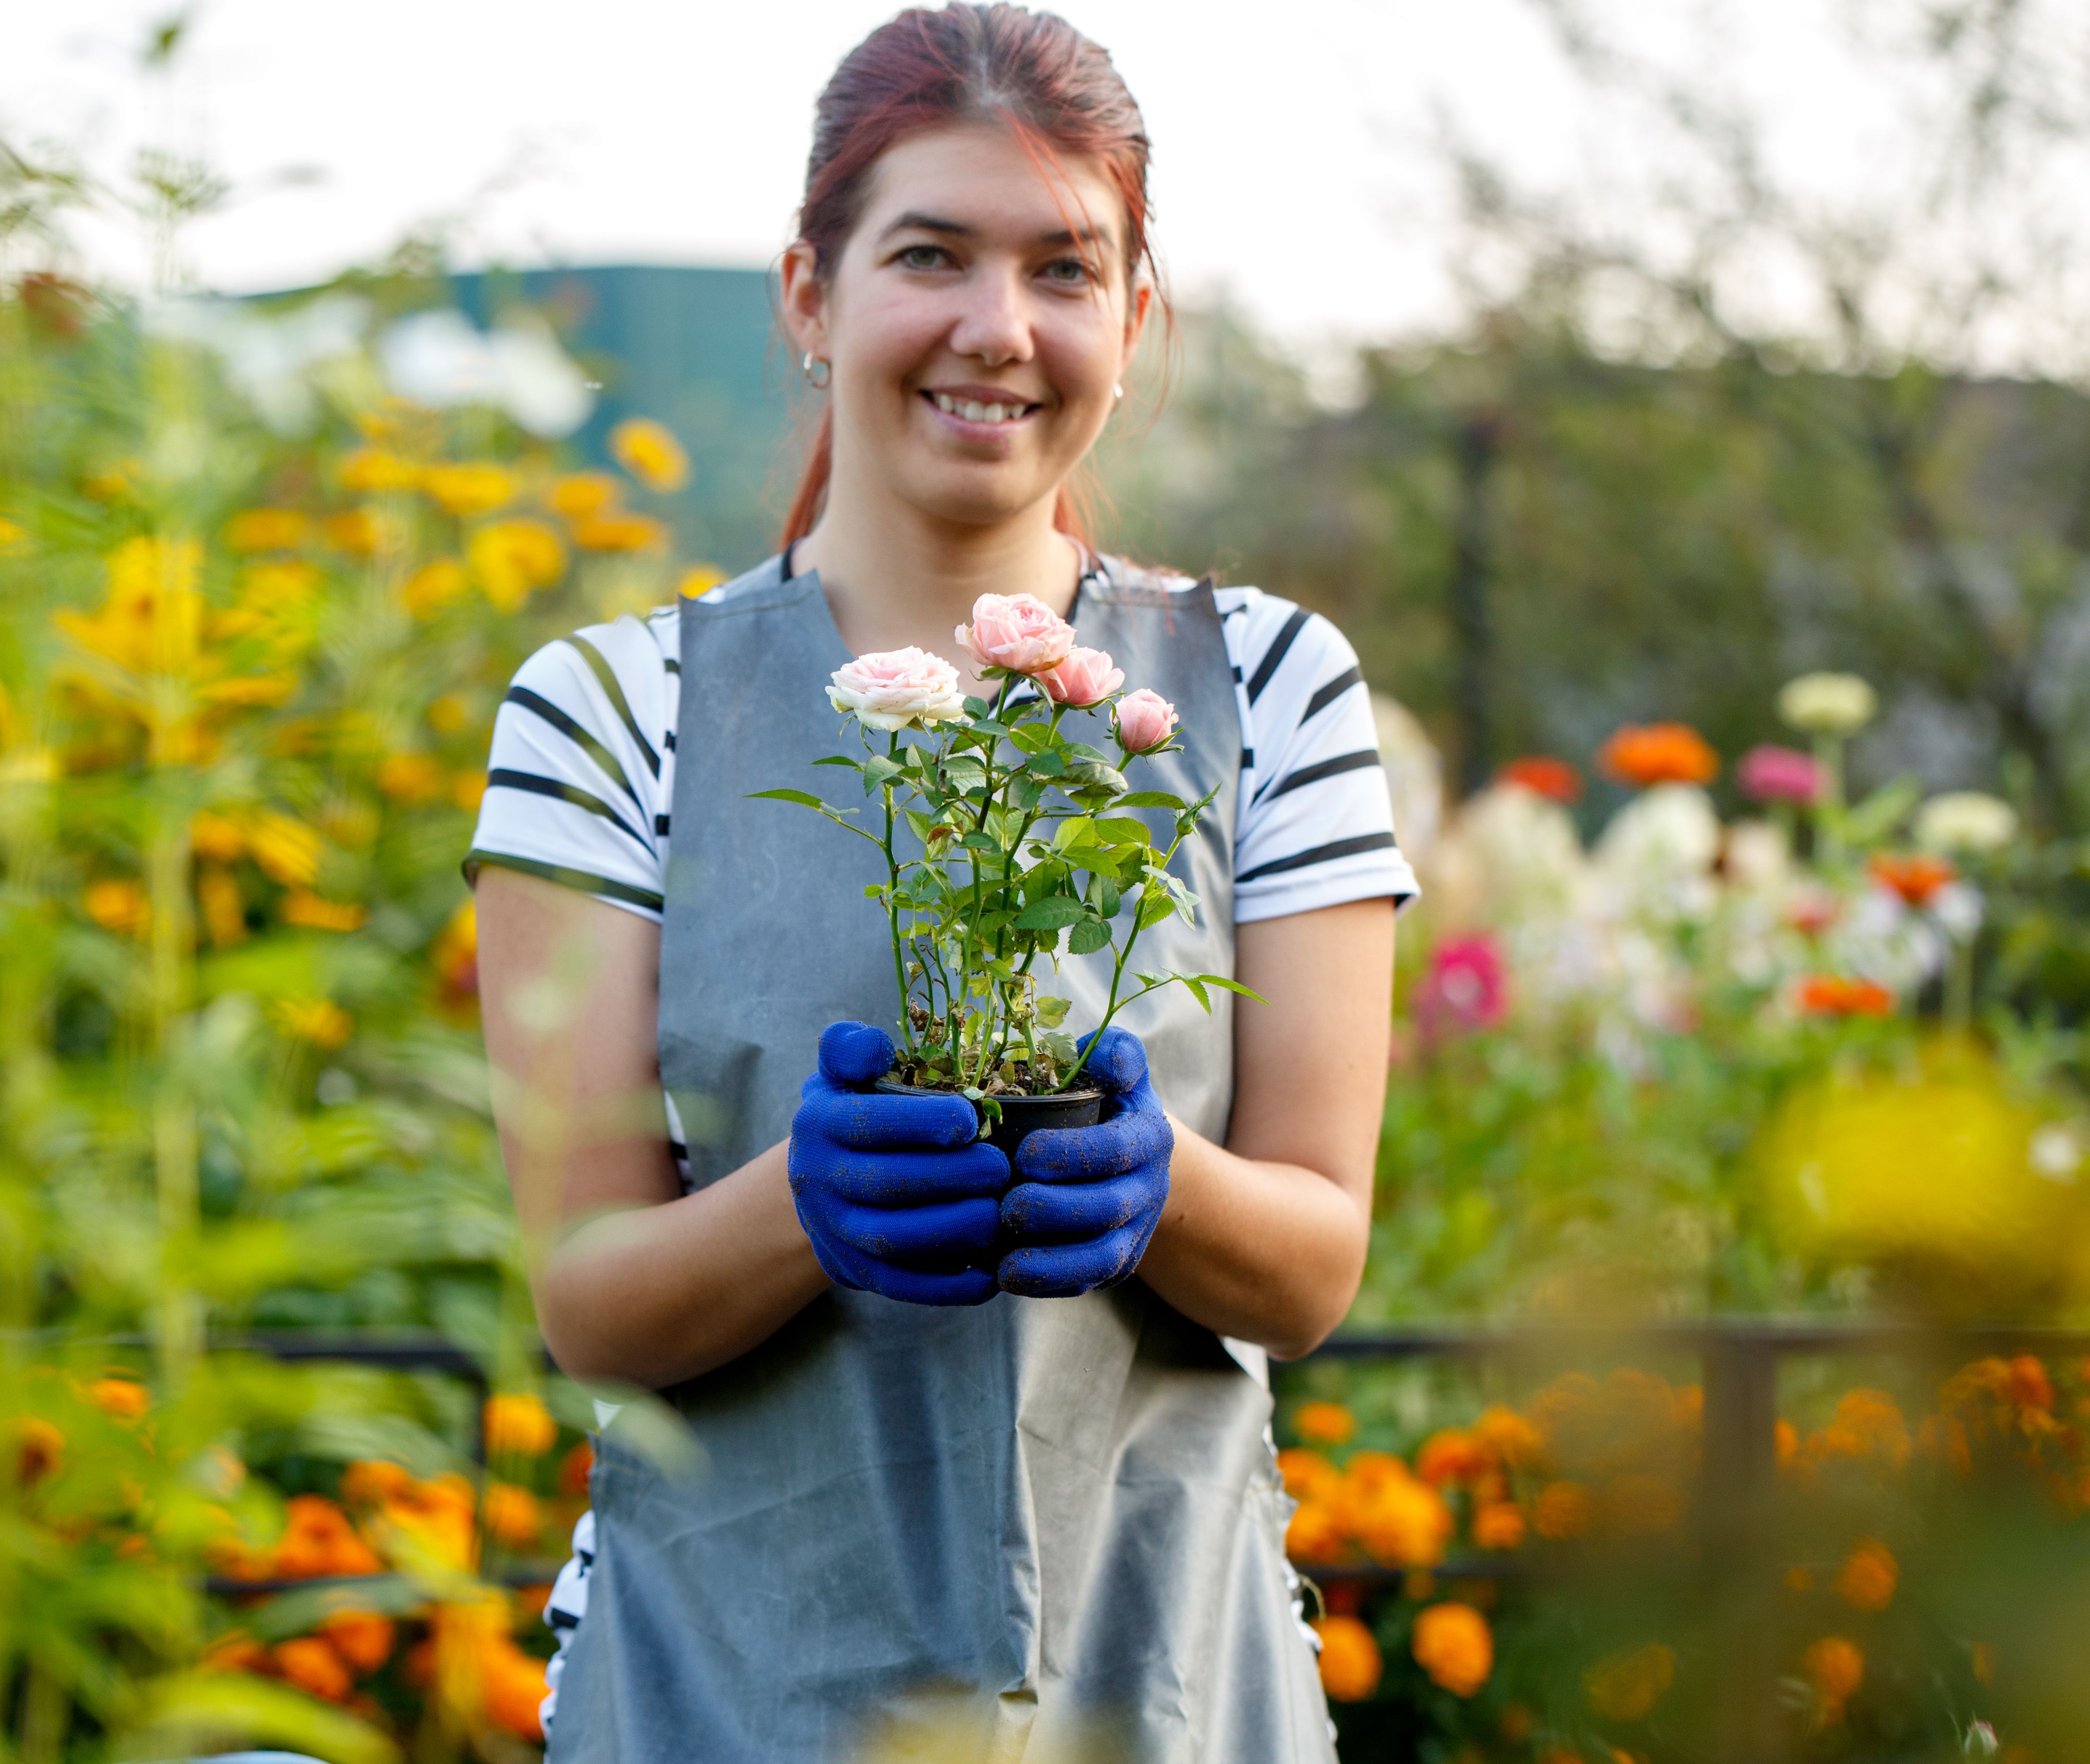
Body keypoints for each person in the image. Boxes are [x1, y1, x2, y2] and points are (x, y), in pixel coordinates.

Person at [468, 6, 1412, 1758]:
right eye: (930, 255)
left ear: (1133, 321)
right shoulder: (608, 713)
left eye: (1066, 267)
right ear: (810, 297)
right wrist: (802, 1206)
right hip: (718, 1690)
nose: (999, 329)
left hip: (1167, 1676)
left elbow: (1311, 1260)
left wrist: (1162, 1186)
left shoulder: (1270, 686)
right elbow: (586, 1293)